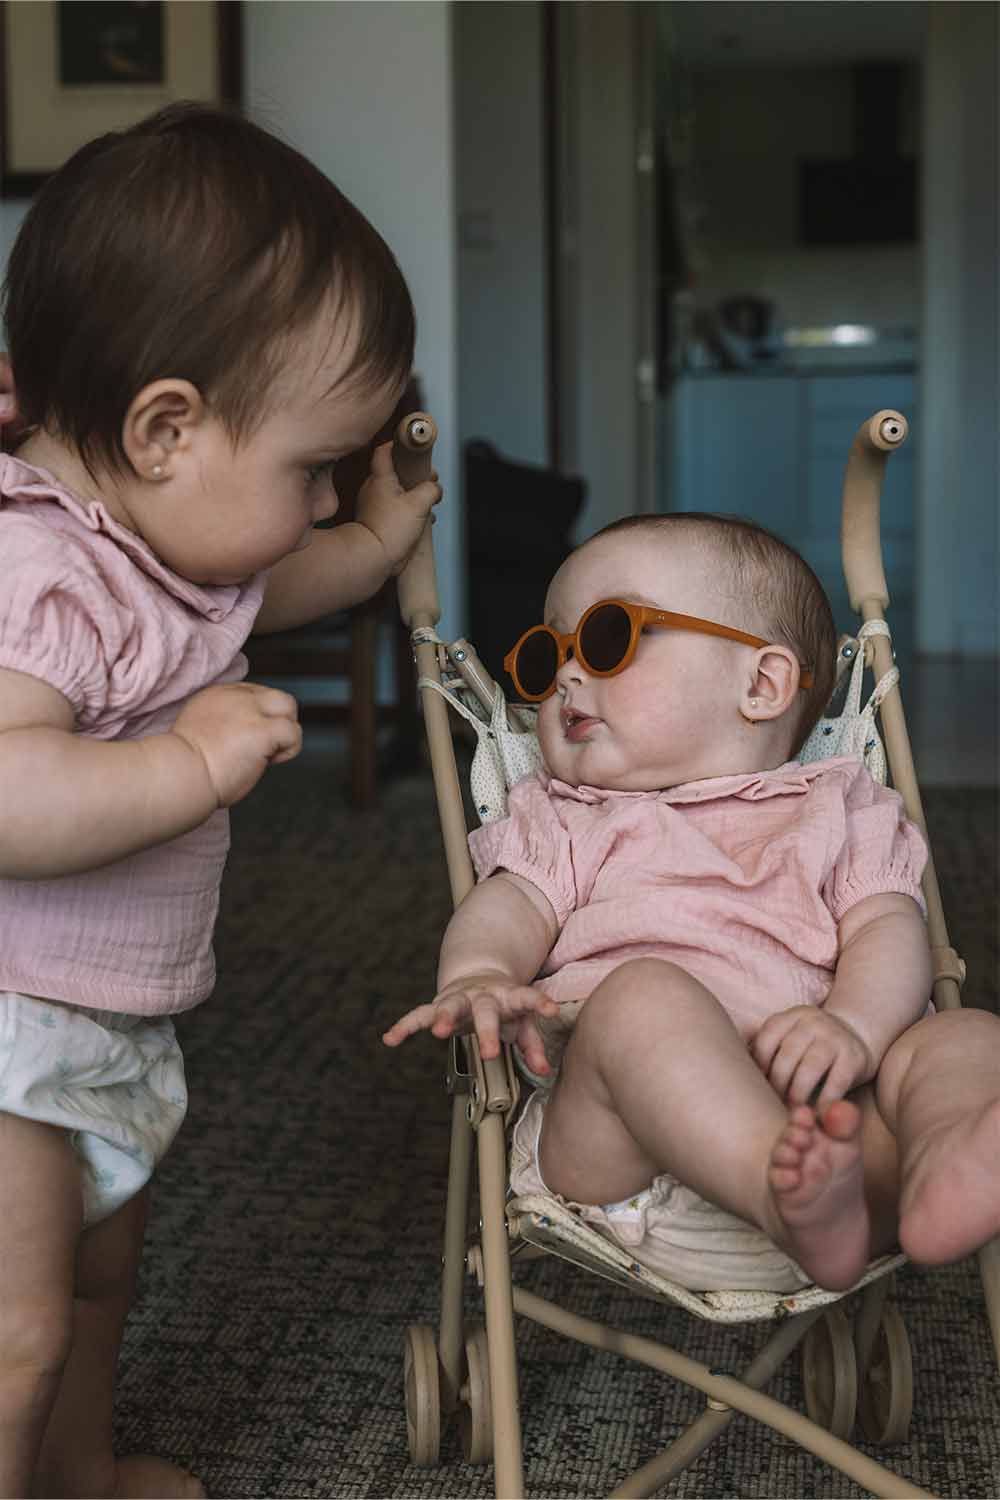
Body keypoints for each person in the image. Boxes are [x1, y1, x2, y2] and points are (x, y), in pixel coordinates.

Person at [0, 103, 440, 1499]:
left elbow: (276, 582)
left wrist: (377, 537)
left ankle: (77, 1475)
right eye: (312, 470)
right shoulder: (38, 578)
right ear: (167, 430)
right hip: (6, 1024)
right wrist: (184, 767)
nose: (317, 505)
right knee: (12, 1334)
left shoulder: (164, 553)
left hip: (101, 1021)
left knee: (96, 1288)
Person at [385, 513, 1000, 1300]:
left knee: (962, 1037)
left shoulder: (838, 805)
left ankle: (943, 1160)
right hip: (632, 1163)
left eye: (607, 639)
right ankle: (782, 1191)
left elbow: (888, 927)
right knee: (640, 999)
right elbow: (509, 905)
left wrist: (854, 1026)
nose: (567, 676)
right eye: (549, 656)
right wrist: (477, 973)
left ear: (762, 685)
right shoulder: (569, 814)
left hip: (845, 1147)